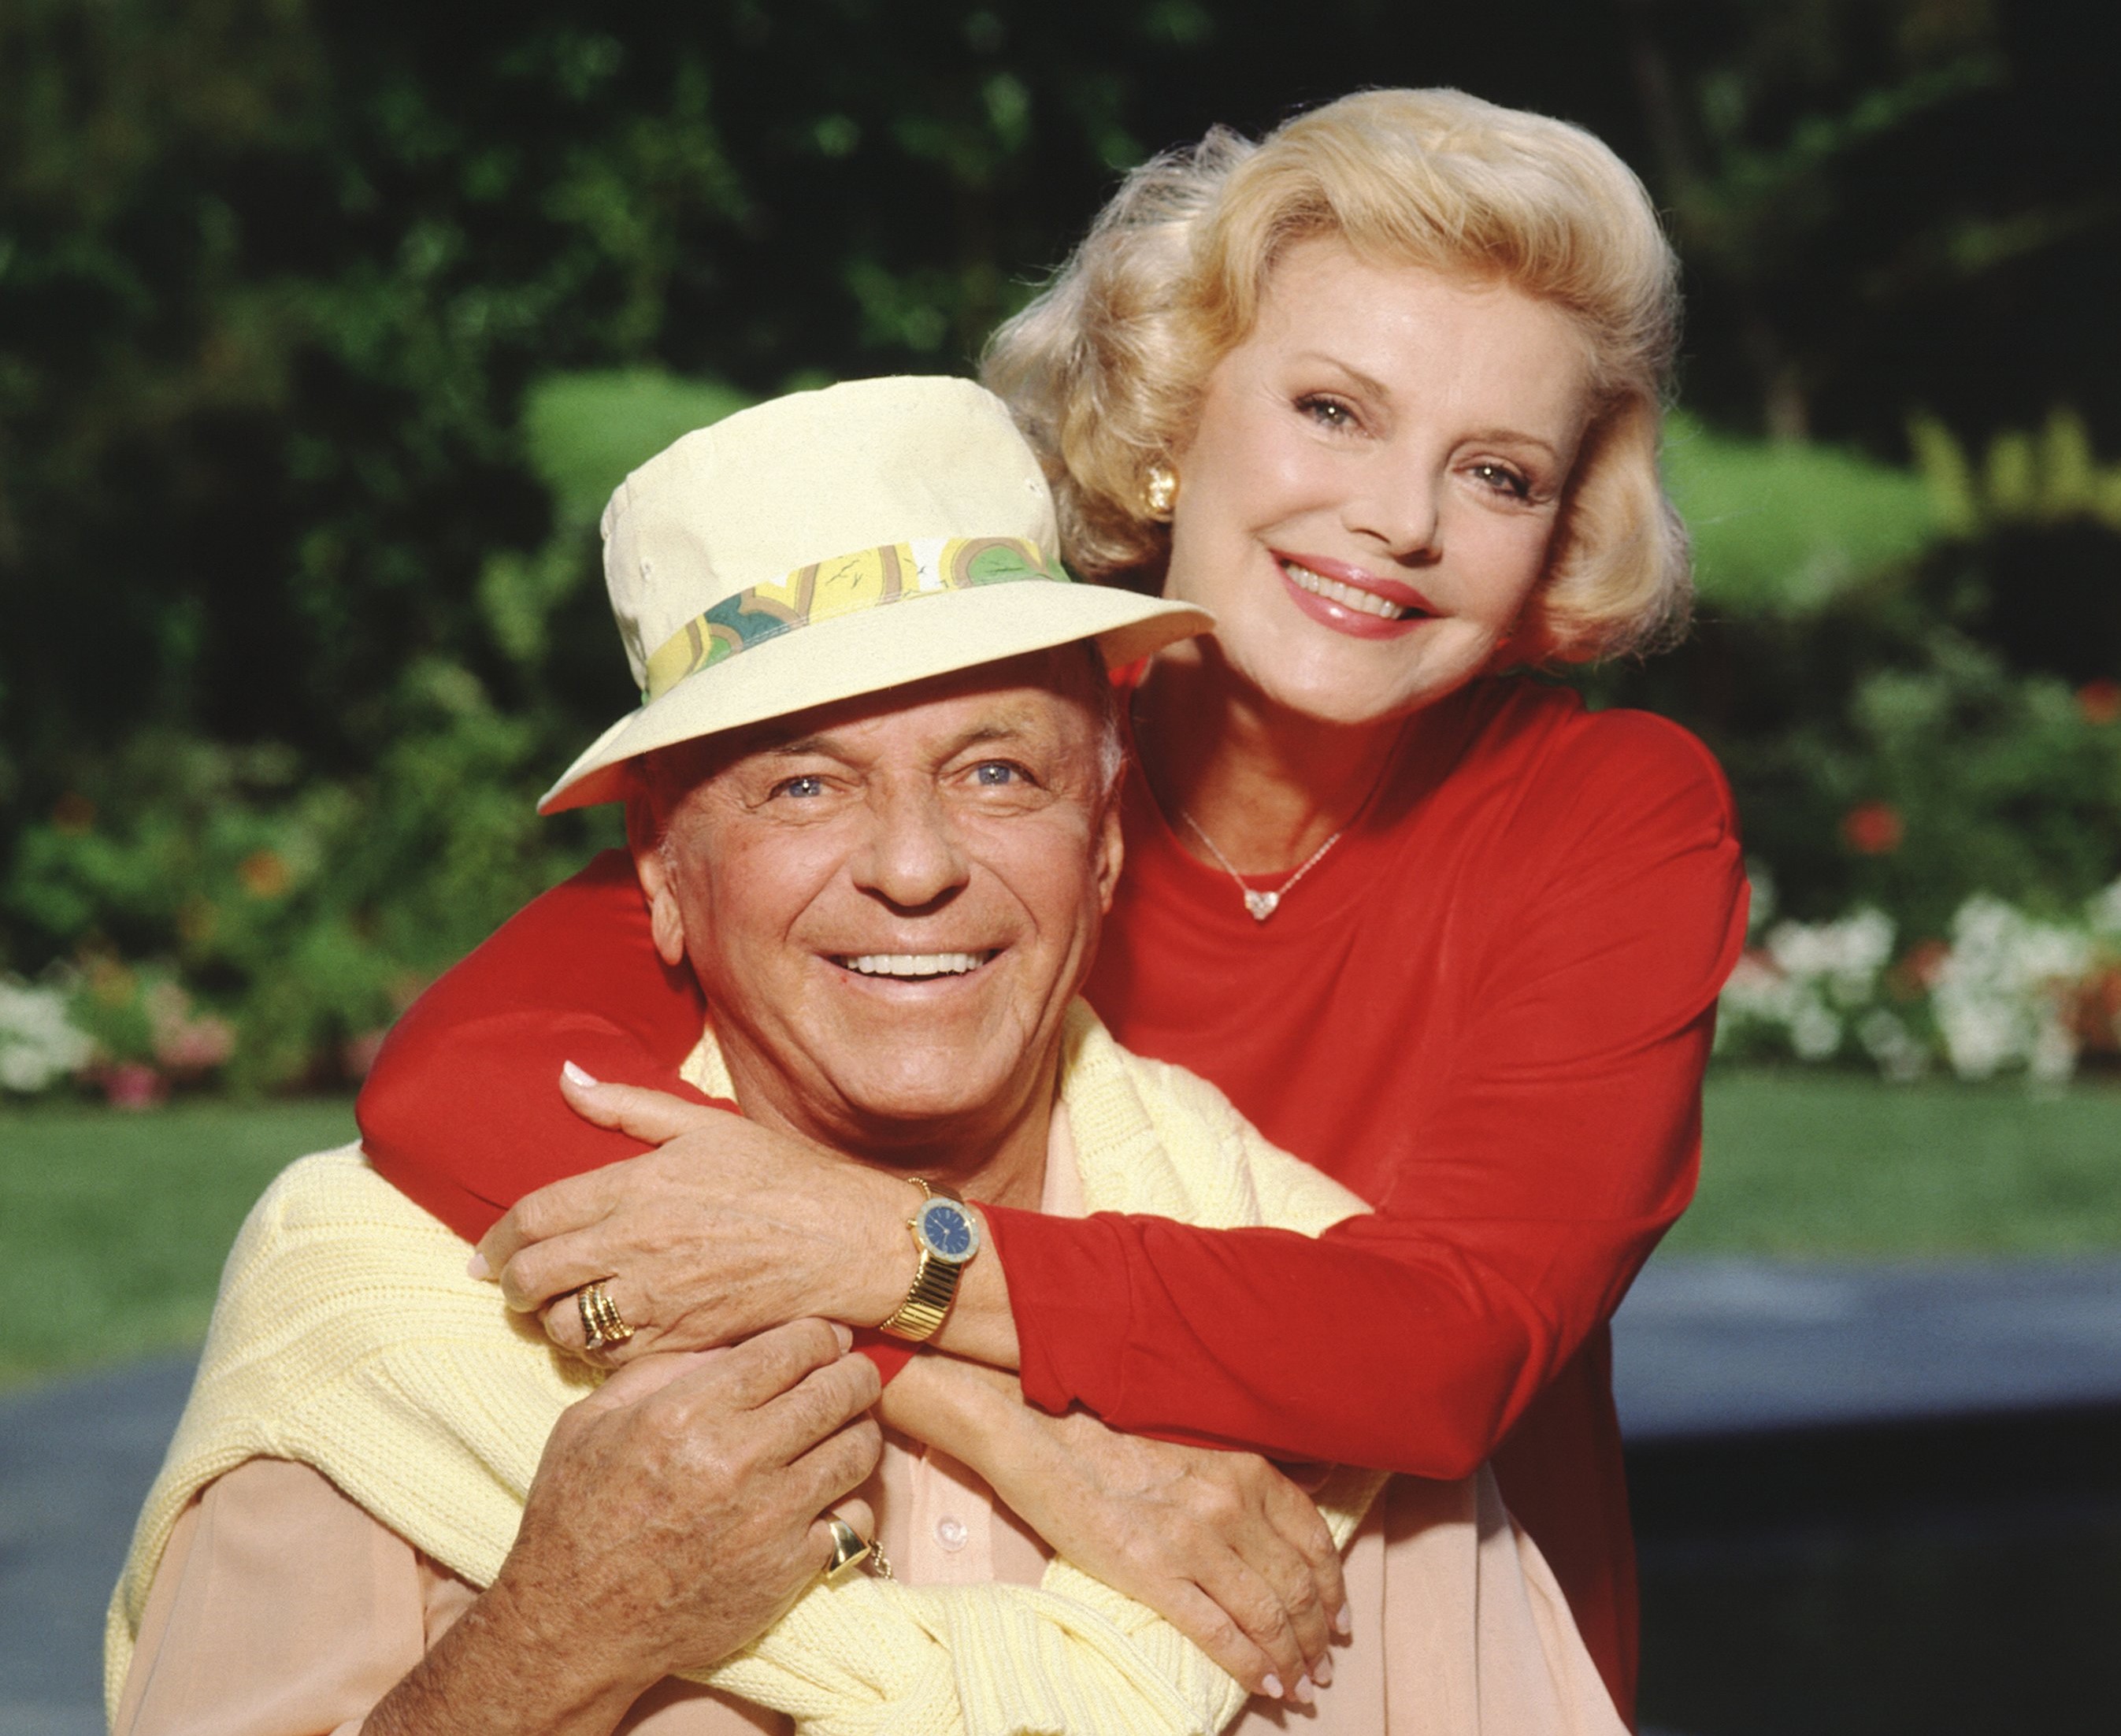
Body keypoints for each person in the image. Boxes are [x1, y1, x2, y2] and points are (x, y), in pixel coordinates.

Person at [356, 88, 1749, 1724]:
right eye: (1333, 410)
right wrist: (996, 1412)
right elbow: (458, 1080)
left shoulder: (1614, 815)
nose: (1401, 520)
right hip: (935, 1610)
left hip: (1401, 1653)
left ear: (1558, 533)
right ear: (1170, 419)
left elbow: (1444, 1350)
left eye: (1499, 474)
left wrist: (897, 1248)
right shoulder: (997, 755)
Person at [109, 376, 1624, 1736]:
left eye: (996, 771)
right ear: (658, 871)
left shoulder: (1297, 1325)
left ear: (1101, 845)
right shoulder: (377, 1295)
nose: (913, 866)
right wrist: (550, 1643)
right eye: (803, 787)